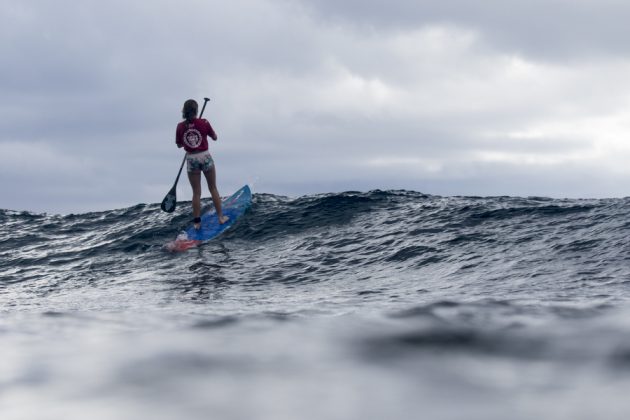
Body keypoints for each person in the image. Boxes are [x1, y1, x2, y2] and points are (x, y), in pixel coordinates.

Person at [175, 99, 229, 229]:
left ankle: (197, 223)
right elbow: (215, 137)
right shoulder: (204, 122)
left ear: (184, 111)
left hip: (191, 159)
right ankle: (221, 217)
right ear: (196, 111)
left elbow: (178, 145)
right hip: (204, 156)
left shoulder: (180, 126)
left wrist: (188, 142)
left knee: (196, 193)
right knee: (213, 188)